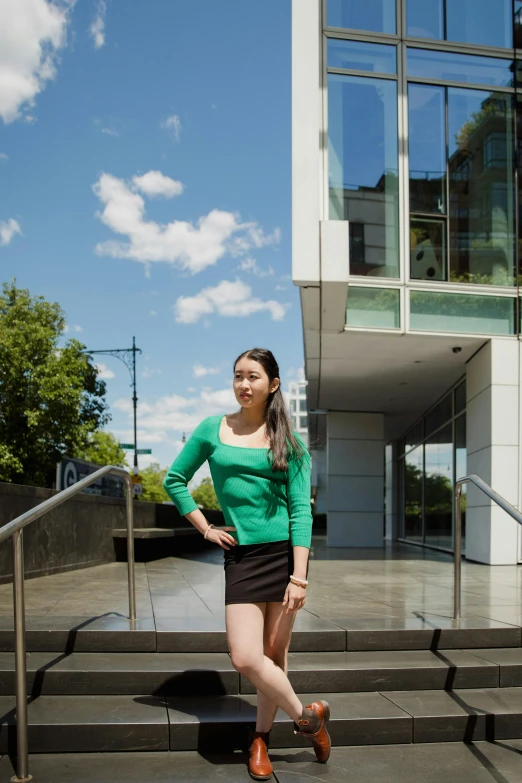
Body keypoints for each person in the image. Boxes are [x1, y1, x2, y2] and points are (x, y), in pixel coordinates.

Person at [163, 347, 331, 781]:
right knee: (245, 656)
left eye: (253, 377)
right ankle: (308, 718)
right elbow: (174, 479)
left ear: (272, 385)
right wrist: (204, 528)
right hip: (241, 557)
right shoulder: (211, 429)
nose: (244, 384)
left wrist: (300, 577)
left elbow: (300, 512)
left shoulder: (289, 443)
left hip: (282, 559)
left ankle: (261, 738)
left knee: (275, 654)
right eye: (238, 375)